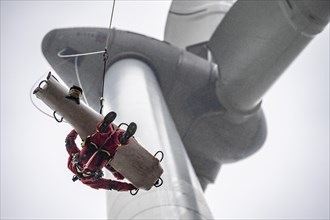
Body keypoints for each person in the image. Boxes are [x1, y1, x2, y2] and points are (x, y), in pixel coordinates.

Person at [65, 111, 138, 191]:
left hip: (104, 155)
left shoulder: (89, 181)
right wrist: (76, 130)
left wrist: (132, 187)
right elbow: (69, 143)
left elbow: (112, 185)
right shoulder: (72, 167)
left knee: (114, 142)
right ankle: (106, 129)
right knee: (101, 135)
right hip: (91, 147)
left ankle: (121, 138)